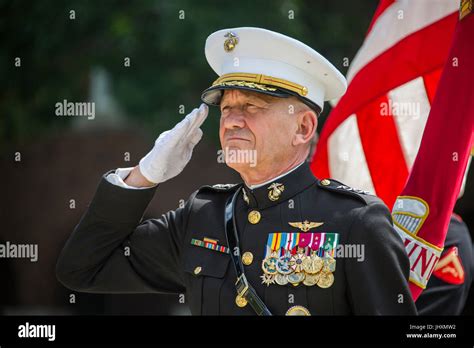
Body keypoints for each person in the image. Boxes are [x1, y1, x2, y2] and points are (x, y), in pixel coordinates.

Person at [56, 27, 417, 315]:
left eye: (252, 105)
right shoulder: (202, 216)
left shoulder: (356, 222)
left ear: (303, 128)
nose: (231, 120)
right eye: (226, 108)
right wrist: (142, 176)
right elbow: (82, 269)